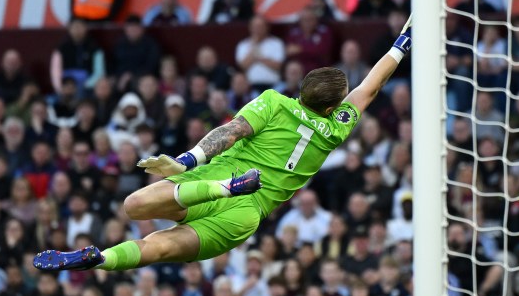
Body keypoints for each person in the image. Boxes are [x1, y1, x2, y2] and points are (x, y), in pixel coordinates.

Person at [33, 21, 413, 274]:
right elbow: (371, 86)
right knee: (160, 247)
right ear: (332, 107)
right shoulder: (336, 128)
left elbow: (229, 132)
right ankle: (102, 260)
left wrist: (188, 159)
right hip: (247, 213)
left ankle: (101, 255)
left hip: (216, 178)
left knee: (134, 206)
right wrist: (401, 45)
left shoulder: (274, 103)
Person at [236, 15, 285, 92]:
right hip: (251, 88)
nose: (258, 29)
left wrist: (258, 58)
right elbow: (243, 66)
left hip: (274, 87)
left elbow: (278, 66)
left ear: (266, 27)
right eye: (255, 26)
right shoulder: (243, 45)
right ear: (250, 28)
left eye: (260, 26)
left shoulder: (276, 43)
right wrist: (254, 45)